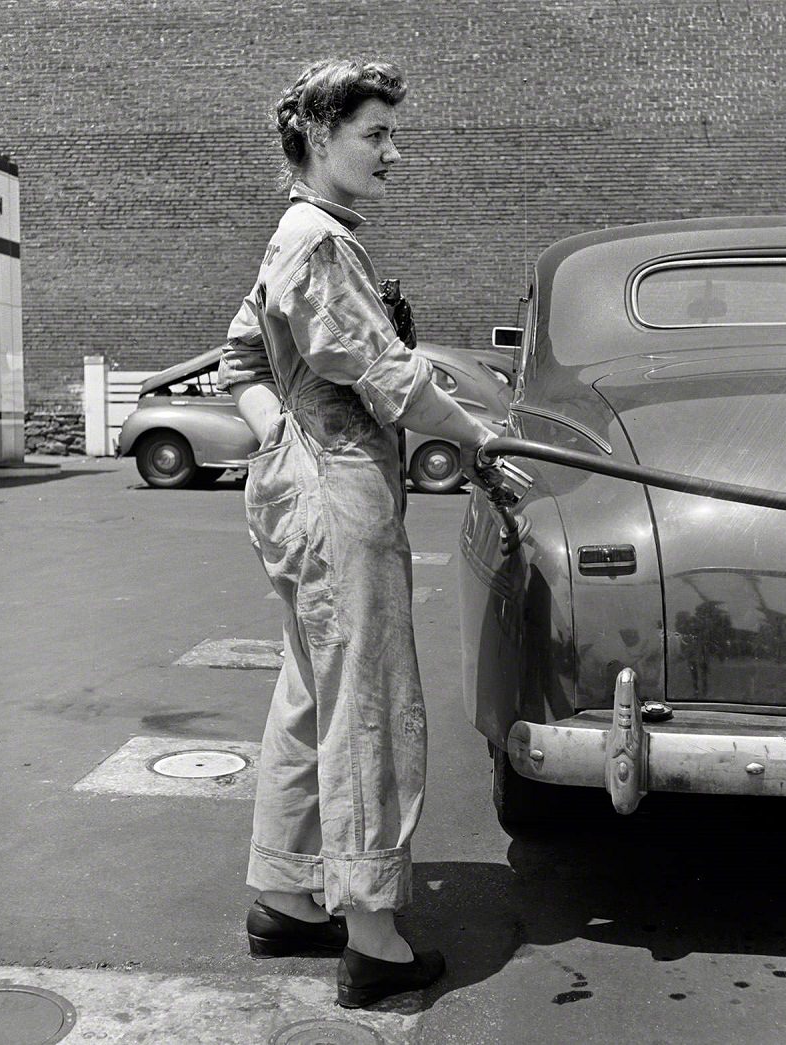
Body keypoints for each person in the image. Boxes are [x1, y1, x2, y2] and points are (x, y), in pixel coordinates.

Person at [218, 57, 511, 1008]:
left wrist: (276, 429)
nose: (395, 150)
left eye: (392, 132)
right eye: (375, 134)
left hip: (303, 490)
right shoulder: (319, 242)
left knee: (315, 689)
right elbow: (387, 376)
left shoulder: (298, 236)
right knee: (370, 700)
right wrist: (477, 434)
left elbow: (240, 357)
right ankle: (374, 933)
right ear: (315, 138)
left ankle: (284, 894)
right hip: (337, 494)